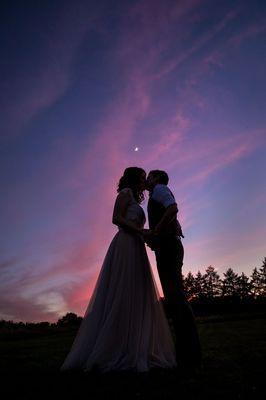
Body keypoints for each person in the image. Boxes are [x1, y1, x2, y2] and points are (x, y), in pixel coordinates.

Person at [61, 167, 176, 373]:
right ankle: (114, 348)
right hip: (124, 245)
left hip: (137, 246)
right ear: (133, 179)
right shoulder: (124, 194)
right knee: (122, 292)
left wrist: (145, 235)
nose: (144, 180)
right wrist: (140, 231)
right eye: (142, 177)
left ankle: (134, 346)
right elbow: (116, 218)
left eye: (146, 177)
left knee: (138, 294)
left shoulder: (138, 199)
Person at [145, 170, 202, 370]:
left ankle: (190, 352)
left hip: (169, 245)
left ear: (158, 179)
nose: (147, 179)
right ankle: (187, 349)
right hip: (166, 244)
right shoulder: (154, 195)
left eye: (150, 176)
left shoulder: (160, 189)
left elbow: (172, 209)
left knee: (176, 295)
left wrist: (157, 231)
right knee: (173, 296)